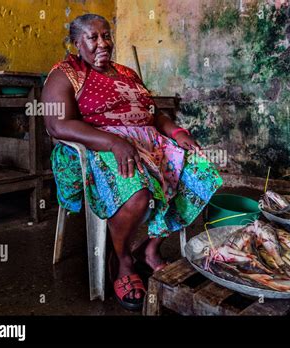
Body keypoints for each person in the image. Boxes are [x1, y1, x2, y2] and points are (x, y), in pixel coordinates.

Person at [42, 14, 222, 310]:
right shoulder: (65, 73)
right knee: (139, 193)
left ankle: (149, 249)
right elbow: (57, 126)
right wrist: (114, 142)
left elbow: (153, 114)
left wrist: (177, 132)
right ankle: (122, 259)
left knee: (204, 175)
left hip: (149, 142)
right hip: (96, 145)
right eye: (93, 37)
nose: (103, 43)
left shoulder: (126, 73)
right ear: (76, 43)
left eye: (106, 36)